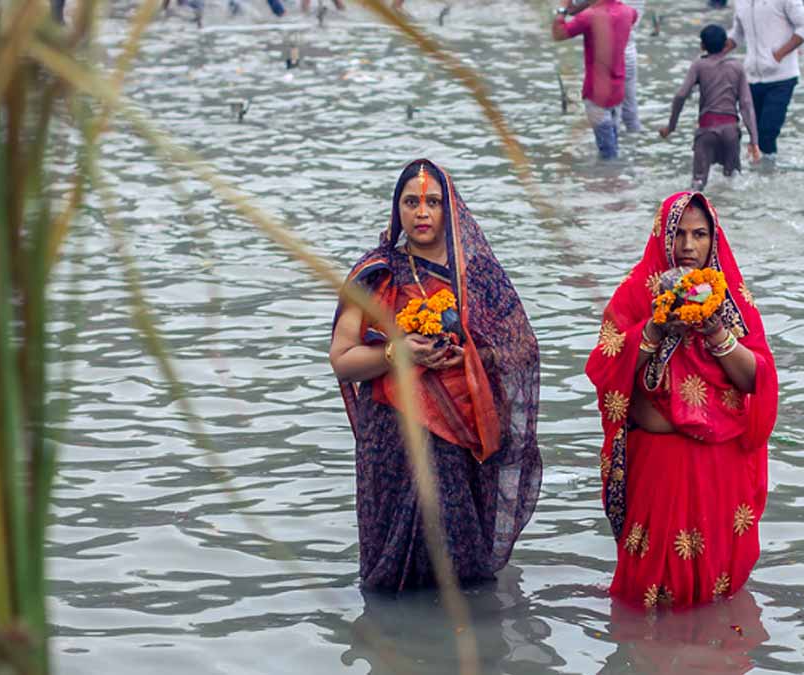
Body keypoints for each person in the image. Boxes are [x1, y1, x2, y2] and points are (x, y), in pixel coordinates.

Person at [330, 160, 542, 591]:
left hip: (461, 435)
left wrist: (468, 356)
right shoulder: (377, 273)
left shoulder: (478, 277)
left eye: (432, 202)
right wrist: (397, 352)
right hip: (393, 437)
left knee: (461, 560)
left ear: (451, 210)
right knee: (394, 572)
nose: (421, 213)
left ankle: (467, 649)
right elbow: (342, 357)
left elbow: (522, 350)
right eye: (411, 202)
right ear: (398, 210)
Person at [586, 191, 779, 611]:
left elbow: (757, 378)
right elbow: (604, 368)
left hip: (719, 465)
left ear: (714, 239)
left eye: (700, 234)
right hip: (659, 464)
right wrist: (654, 328)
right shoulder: (635, 294)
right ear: (662, 236)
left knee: (717, 594)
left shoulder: (730, 300)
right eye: (679, 234)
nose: (688, 246)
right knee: (646, 593)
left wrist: (716, 333)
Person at [660, 25, 761, 190]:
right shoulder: (737, 67)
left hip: (707, 130)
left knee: (698, 183)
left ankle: (697, 212)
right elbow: (746, 104)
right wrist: (754, 140)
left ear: (702, 46)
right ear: (726, 44)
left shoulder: (699, 65)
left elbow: (681, 96)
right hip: (731, 132)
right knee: (732, 180)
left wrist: (671, 127)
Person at [723, 0, 804, 157]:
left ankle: (770, 175)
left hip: (782, 77)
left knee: (767, 133)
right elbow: (737, 33)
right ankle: (759, 175)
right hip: (751, 77)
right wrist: (714, 53)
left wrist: (779, 55)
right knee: (754, 135)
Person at [552, 0, 638, 160]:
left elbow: (558, 34)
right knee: (613, 144)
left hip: (596, 94)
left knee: (607, 154)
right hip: (618, 91)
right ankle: (618, 179)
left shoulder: (589, 16)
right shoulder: (629, 12)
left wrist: (562, 9)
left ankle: (609, 180)